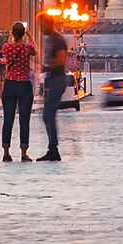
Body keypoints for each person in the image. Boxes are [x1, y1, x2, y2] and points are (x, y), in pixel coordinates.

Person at [0, 21, 38, 162]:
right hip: (24, 85)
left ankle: (6, 152)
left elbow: (5, 55)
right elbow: (36, 51)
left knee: (8, 120)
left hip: (10, 85)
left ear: (12, 33)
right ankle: (23, 153)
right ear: (23, 34)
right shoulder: (27, 48)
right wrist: (30, 35)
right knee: (24, 120)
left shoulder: (6, 47)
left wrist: (11, 35)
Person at [39, 25, 71, 162]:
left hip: (57, 80)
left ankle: (54, 149)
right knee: (48, 115)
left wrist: (47, 65)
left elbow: (61, 60)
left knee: (48, 114)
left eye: (41, 24)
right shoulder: (51, 39)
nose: (40, 28)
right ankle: (52, 148)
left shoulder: (57, 40)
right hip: (52, 79)